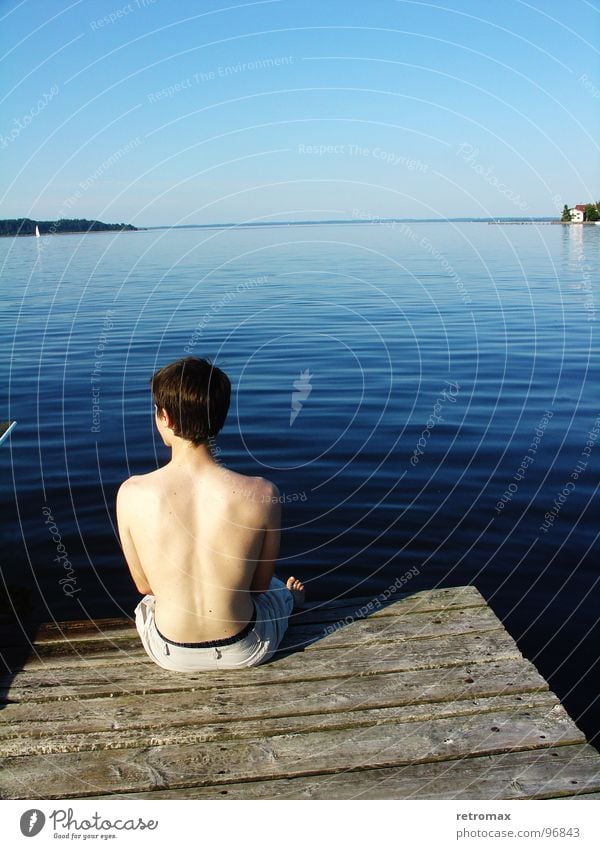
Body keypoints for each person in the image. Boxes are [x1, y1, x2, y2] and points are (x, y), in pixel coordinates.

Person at [116, 355, 305, 672]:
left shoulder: (131, 493)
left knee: (150, 601)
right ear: (219, 417)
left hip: (170, 653)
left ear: (166, 418)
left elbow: (144, 586)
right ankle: (292, 600)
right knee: (274, 589)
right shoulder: (262, 493)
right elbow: (257, 588)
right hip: (245, 647)